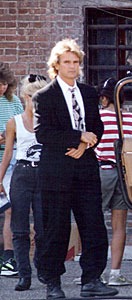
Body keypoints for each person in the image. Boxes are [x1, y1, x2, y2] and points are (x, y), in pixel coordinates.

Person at [33, 39, 118, 299]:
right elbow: (43, 133)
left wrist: (86, 144)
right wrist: (78, 138)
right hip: (56, 171)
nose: (72, 67)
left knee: (93, 225)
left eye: (76, 62)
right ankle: (53, 283)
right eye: (66, 62)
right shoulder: (44, 96)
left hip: (86, 168)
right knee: (55, 228)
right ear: (56, 66)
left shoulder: (89, 93)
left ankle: (91, 279)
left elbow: (98, 128)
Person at [0, 74, 48, 291]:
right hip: (22, 173)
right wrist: (0, 179)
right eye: (33, 98)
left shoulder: (49, 121)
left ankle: (42, 267)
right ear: (25, 97)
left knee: (43, 226)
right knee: (19, 226)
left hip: (44, 174)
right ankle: (23, 273)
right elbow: (8, 153)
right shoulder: (15, 122)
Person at [95, 78, 132, 286]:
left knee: (92, 223)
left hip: (101, 171)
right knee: (119, 225)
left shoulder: (96, 117)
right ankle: (115, 273)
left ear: (104, 98)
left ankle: (93, 272)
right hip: (124, 174)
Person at [0, 62, 23, 277]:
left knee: (10, 209)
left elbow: (23, 128)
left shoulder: (15, 102)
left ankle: (8, 256)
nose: (1, 88)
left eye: (4, 84)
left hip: (11, 163)